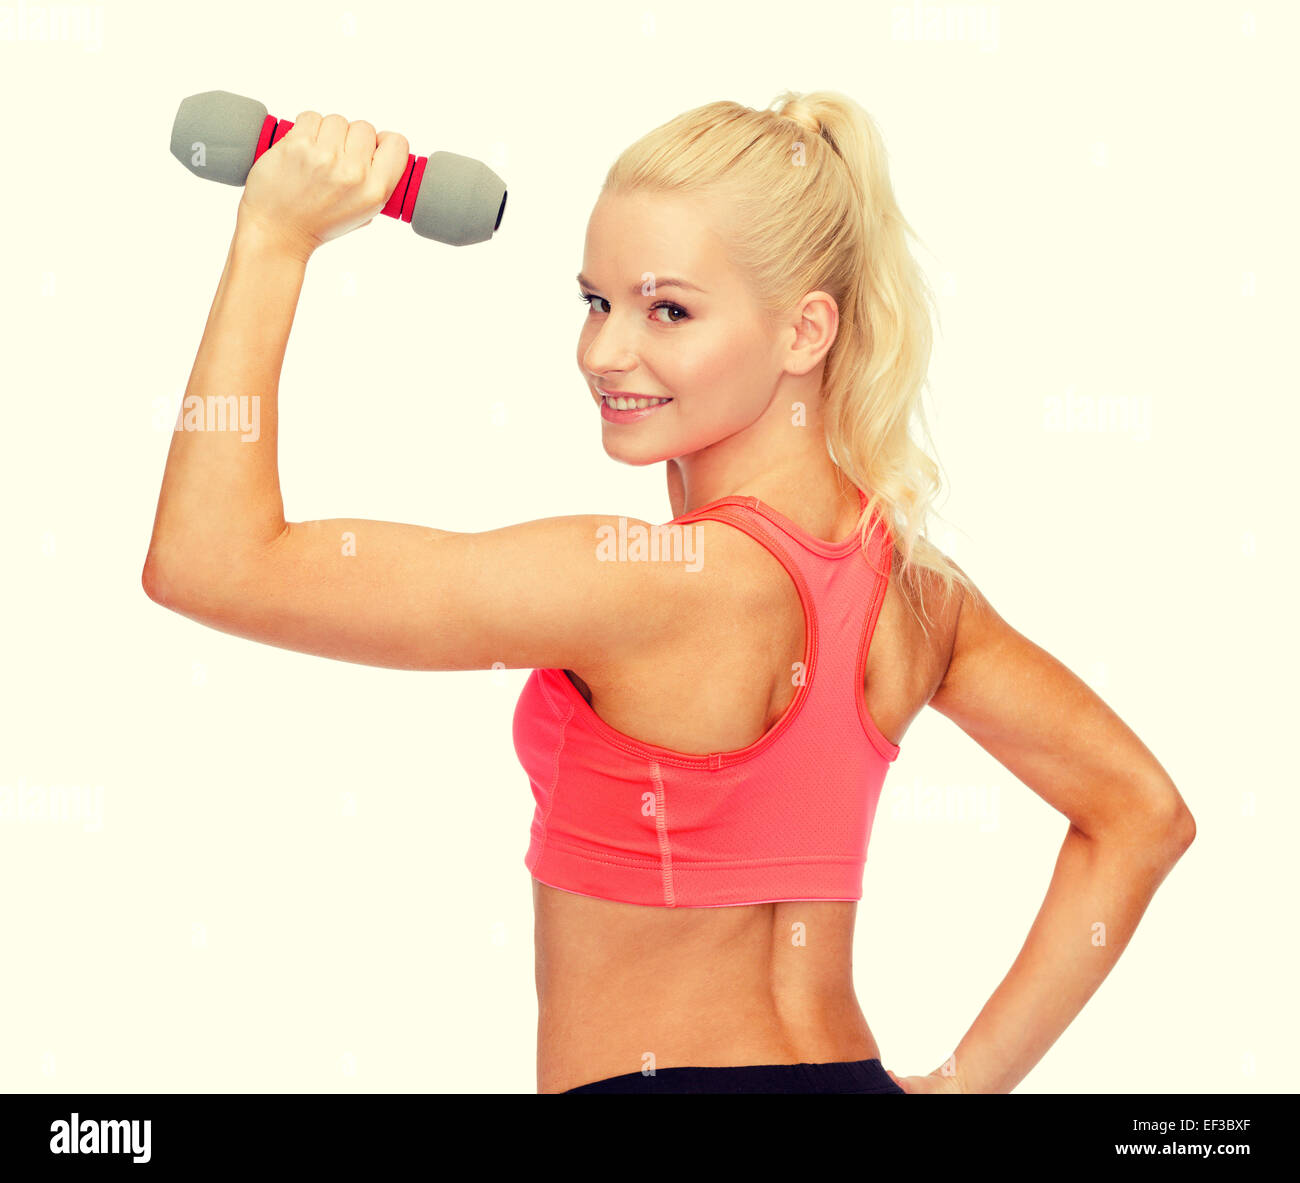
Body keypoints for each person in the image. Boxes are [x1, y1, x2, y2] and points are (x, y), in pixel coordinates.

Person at [142, 89, 1195, 1094]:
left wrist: (274, 240)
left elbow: (211, 562)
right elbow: (1139, 815)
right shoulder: (915, 591)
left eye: (670, 310)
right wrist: (970, 1082)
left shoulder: (644, 585)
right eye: (596, 301)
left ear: (804, 333)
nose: (605, 350)